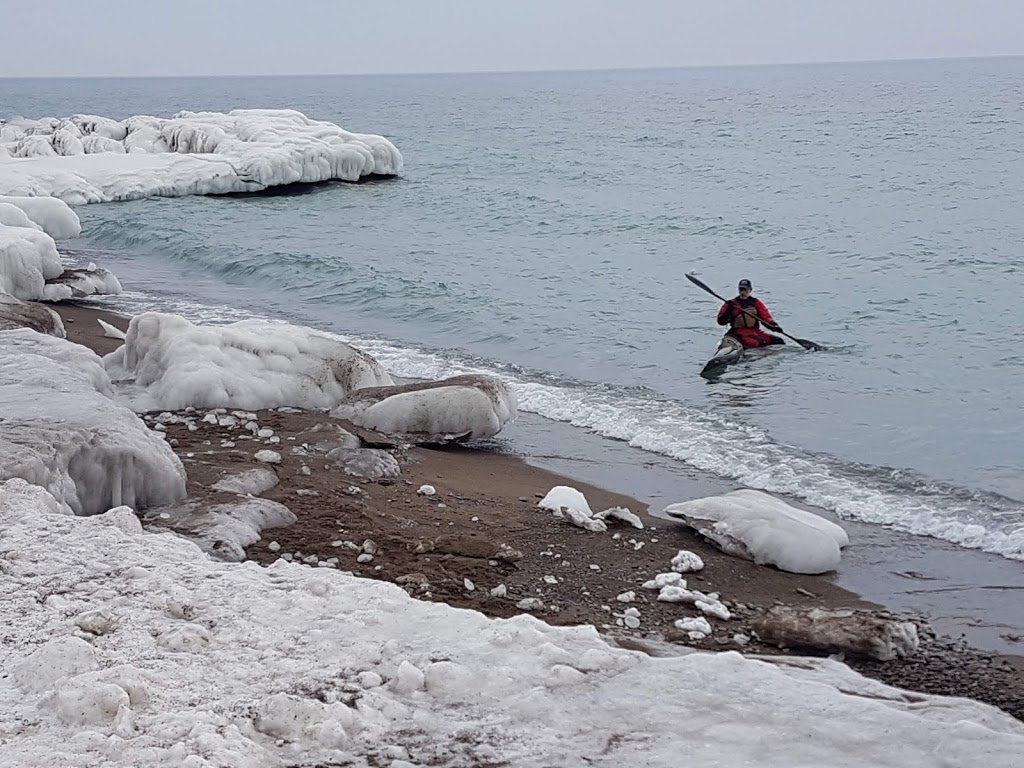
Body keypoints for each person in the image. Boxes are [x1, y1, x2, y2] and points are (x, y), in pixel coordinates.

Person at [716, 279, 785, 348]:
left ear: (750, 290)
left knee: (778, 341)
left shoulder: (756, 302)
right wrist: (729, 309)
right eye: (741, 289)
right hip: (738, 333)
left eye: (745, 289)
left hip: (755, 331)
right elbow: (721, 321)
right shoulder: (731, 304)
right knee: (755, 343)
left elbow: (765, 317)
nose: (743, 292)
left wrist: (774, 325)